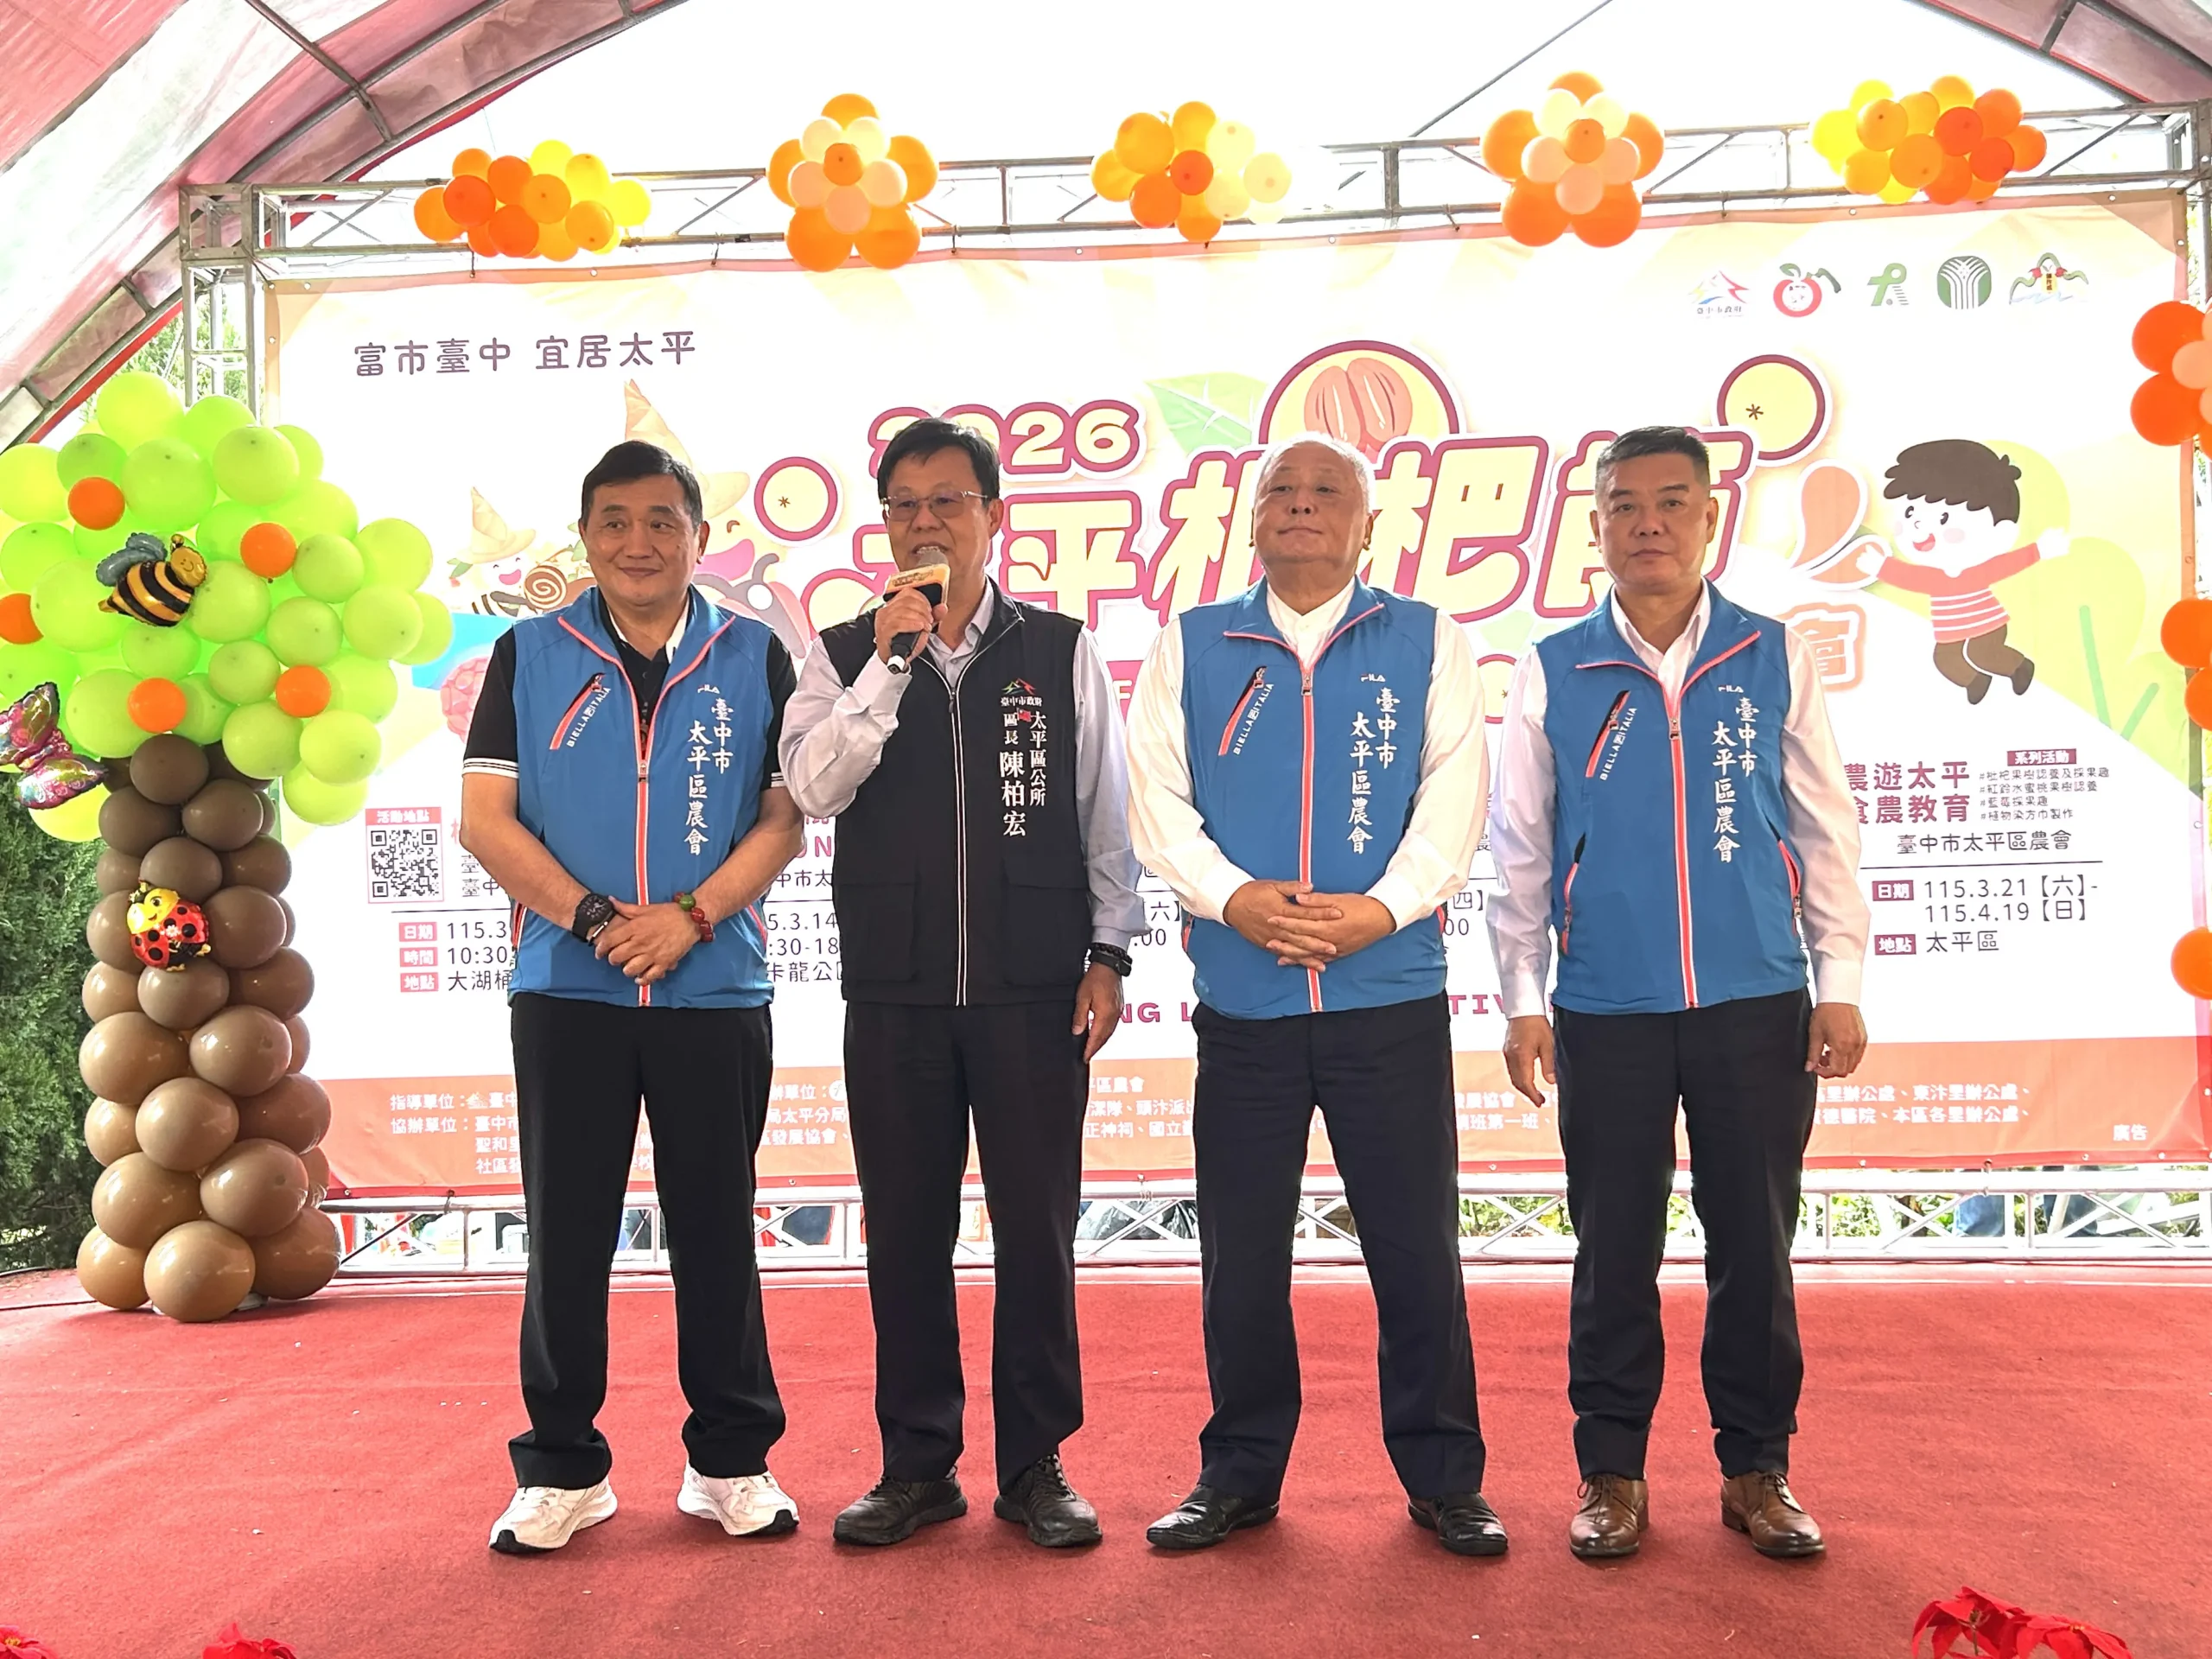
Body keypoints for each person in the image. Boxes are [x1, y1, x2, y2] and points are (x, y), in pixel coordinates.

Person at [1485, 425, 1870, 1562]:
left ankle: (1757, 1470)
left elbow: (1825, 824)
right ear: (1596, 526)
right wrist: (1523, 995)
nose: (1647, 523)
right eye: (1624, 505)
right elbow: (1521, 846)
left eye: (1670, 502)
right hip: (1606, 1003)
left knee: (1756, 1241)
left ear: (1710, 518)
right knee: (1614, 1245)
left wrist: (1839, 979)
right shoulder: (1554, 667)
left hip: (1758, 995)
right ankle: (1611, 1472)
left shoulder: (1771, 653)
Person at [1124, 435, 1502, 1557]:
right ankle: (1238, 1473)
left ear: (1367, 525)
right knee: (1242, 1257)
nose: (1300, 505)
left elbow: (1453, 797)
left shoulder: (1427, 639)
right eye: (1279, 491)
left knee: (1415, 1251)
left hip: (1388, 999)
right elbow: (1158, 802)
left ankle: (1445, 1476)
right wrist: (1234, 899)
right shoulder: (1192, 643)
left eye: (1326, 490)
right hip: (1246, 1004)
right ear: (1249, 521)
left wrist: (1380, 910)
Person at [780, 418, 1144, 1549]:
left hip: (1034, 986)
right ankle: (916, 1464)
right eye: (904, 505)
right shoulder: (843, 652)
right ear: (884, 523)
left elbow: (1104, 810)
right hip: (895, 990)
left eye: (948, 501)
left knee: (1037, 1231)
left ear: (993, 515)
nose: (925, 522)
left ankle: (1035, 1465)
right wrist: (887, 668)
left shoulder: (1059, 648)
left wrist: (1111, 951)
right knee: (903, 1233)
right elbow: (812, 788)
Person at [459, 440, 804, 1554]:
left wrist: (691, 918)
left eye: (663, 521)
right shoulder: (527, 654)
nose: (639, 542)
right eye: (615, 521)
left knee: (719, 1232)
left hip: (717, 988)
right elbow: (484, 821)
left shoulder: (756, 653)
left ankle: (731, 1460)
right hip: (570, 988)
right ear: (585, 537)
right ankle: (562, 1467)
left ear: (699, 536)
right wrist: (599, 920)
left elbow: (784, 818)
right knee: (567, 1233)